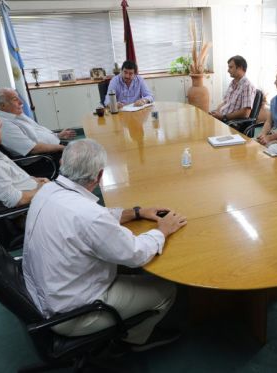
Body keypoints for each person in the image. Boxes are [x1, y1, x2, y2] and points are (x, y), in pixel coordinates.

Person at [22, 139, 187, 351]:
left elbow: (93, 219)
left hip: (43, 293)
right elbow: (136, 254)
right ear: (100, 176)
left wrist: (137, 212)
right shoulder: (89, 216)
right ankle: (132, 341)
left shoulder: (46, 191)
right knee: (166, 289)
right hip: (72, 315)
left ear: (62, 162)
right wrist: (163, 229)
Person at [0, 88, 76, 157]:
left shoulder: (16, 115)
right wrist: (62, 148)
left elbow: (38, 132)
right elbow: (33, 149)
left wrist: (58, 135)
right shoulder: (5, 126)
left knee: (84, 148)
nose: (21, 103)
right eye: (15, 100)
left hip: (55, 147)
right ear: (3, 105)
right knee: (83, 156)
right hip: (44, 158)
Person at [210, 55, 256, 122]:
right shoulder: (233, 83)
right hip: (222, 118)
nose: (228, 70)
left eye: (231, 67)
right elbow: (225, 102)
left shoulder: (247, 86)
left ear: (240, 68)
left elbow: (245, 113)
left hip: (230, 123)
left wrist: (223, 117)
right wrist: (216, 113)